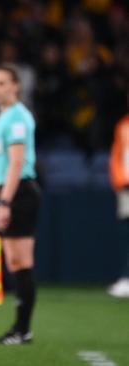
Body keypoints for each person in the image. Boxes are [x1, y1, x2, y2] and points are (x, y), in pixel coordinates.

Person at [0, 64, 41, 345]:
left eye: (2, 83)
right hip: (10, 191)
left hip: (21, 192)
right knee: (15, 262)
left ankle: (22, 329)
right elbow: (1, 168)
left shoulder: (17, 118)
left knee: (21, 262)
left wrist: (4, 201)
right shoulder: (3, 117)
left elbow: (16, 163)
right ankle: (20, 328)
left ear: (16, 86)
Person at [108, 90, 129, 298]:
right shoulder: (123, 124)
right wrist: (119, 179)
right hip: (127, 187)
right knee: (126, 233)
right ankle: (126, 277)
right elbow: (117, 156)